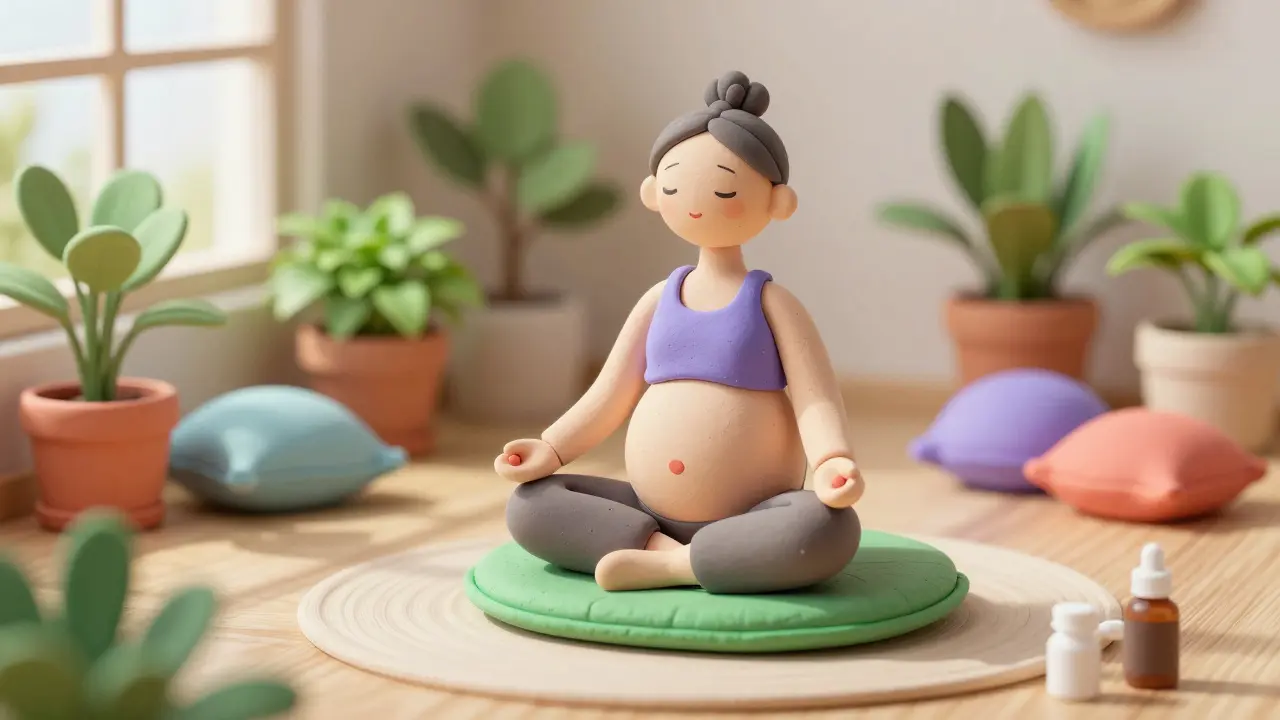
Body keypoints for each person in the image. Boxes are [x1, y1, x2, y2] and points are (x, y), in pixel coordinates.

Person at [494, 70, 864, 594]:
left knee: (827, 528)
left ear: (777, 202)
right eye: (672, 185)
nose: (694, 201)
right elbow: (608, 395)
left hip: (754, 517)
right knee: (531, 505)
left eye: (722, 188)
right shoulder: (656, 301)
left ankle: (671, 566)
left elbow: (816, 399)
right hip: (651, 511)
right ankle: (669, 554)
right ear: (653, 192)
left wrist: (831, 461)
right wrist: (549, 449)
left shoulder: (773, 304)